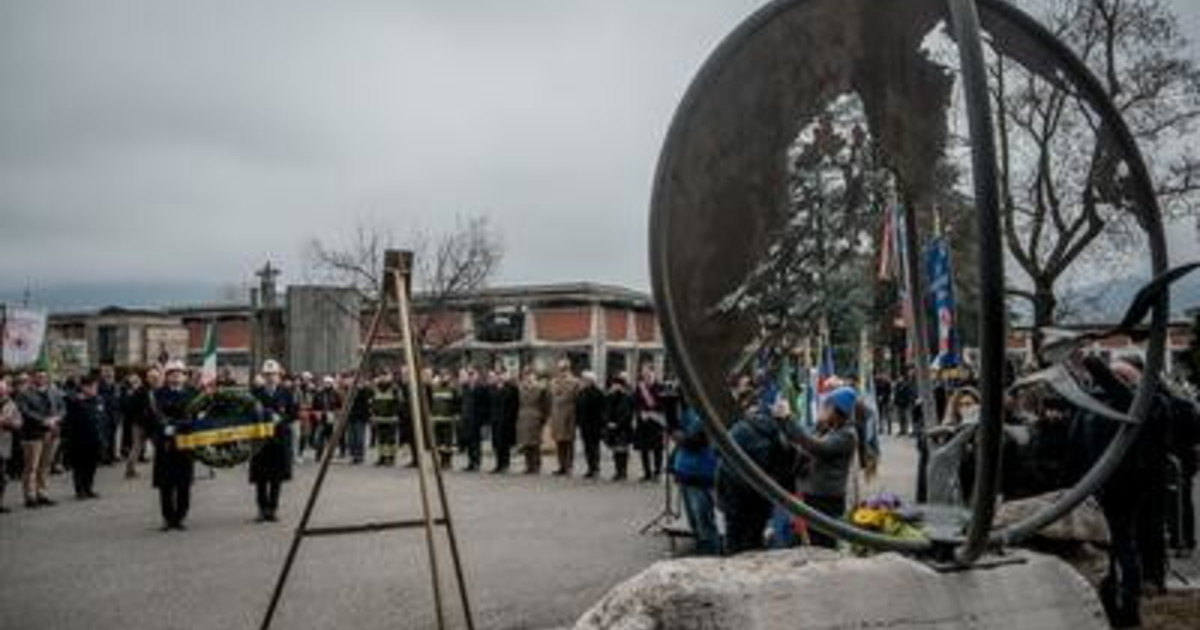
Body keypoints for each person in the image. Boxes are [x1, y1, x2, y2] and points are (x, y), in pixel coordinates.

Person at [716, 393, 797, 554]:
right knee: (754, 541)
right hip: (760, 497)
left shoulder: (739, 429)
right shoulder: (778, 433)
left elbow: (719, 453)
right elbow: (785, 467)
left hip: (734, 496)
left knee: (734, 542)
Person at [784, 386, 859, 549]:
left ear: (838, 410)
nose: (823, 409)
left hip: (826, 500)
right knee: (810, 538)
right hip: (814, 496)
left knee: (823, 544)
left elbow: (816, 447)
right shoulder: (828, 429)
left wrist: (789, 418)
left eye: (827, 406)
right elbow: (805, 445)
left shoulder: (847, 435)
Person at [153, 360, 197, 530]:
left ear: (184, 376)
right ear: (167, 376)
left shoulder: (192, 394)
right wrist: (164, 427)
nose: (176, 376)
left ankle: (180, 517)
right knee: (166, 484)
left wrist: (177, 426)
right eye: (172, 373)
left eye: (179, 373)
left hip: (185, 443)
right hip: (166, 444)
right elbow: (155, 416)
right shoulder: (158, 393)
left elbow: (195, 418)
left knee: (183, 483)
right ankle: (167, 517)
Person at [250, 360, 296, 522]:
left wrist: (281, 419)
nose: (270, 378)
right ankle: (262, 509)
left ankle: (273, 509)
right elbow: (248, 415)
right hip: (261, 441)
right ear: (263, 376)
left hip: (279, 439)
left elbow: (293, 414)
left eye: (273, 375)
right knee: (261, 477)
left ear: (279, 376)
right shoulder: (256, 393)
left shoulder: (286, 393)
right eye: (267, 375)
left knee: (276, 477)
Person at [672, 406, 720, 555]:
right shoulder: (690, 410)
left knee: (704, 522)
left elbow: (693, 441)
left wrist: (677, 435)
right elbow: (678, 429)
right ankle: (702, 553)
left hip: (701, 474)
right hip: (686, 473)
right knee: (695, 523)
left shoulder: (708, 411)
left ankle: (710, 557)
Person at [16, 370, 61, 508]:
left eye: (44, 376)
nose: (41, 378)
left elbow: (62, 407)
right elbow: (25, 411)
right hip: (32, 434)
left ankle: (42, 493)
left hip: (51, 433)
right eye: (38, 376)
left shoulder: (53, 391)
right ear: (32, 378)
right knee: (31, 467)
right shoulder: (24, 393)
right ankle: (30, 496)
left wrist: (57, 418)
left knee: (45, 466)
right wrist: (43, 420)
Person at [63, 373, 106, 499]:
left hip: (95, 438)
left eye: (95, 387)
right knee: (79, 466)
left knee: (91, 466)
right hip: (79, 440)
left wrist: (103, 437)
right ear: (84, 387)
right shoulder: (75, 401)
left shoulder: (98, 399)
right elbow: (70, 420)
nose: (94, 389)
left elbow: (102, 419)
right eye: (92, 387)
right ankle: (80, 490)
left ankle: (89, 488)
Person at [123, 369, 159, 478]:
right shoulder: (141, 390)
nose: (155, 380)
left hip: (151, 423)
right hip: (140, 423)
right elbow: (131, 406)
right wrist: (141, 415)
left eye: (156, 378)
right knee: (137, 447)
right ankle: (130, 470)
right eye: (153, 378)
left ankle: (159, 469)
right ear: (148, 378)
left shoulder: (154, 390)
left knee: (157, 446)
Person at [548, 359, 580, 476]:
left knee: (568, 441)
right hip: (556, 414)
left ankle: (569, 466)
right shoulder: (554, 381)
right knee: (559, 441)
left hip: (569, 414)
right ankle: (561, 466)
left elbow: (577, 399)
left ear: (568, 368)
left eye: (564, 368)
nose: (562, 371)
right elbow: (551, 397)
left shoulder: (575, 382)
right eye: (560, 369)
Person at [634, 365, 667, 481]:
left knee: (657, 449)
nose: (645, 375)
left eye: (647, 373)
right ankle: (647, 472)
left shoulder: (660, 386)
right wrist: (640, 413)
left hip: (656, 421)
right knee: (644, 449)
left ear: (653, 373)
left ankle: (657, 472)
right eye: (643, 373)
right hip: (643, 422)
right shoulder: (639, 387)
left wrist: (652, 412)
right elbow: (636, 402)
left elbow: (662, 404)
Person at [516, 367, 550, 474]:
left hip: (535, 417)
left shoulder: (540, 389)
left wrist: (543, 418)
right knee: (526, 443)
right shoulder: (521, 388)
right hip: (523, 417)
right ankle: (528, 465)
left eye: (530, 375)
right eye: (526, 375)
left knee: (535, 443)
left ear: (534, 376)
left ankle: (536, 465)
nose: (527, 377)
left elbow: (545, 405)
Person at [604, 373, 635, 481]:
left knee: (623, 450)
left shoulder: (627, 397)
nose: (615, 386)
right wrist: (608, 422)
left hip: (623, 427)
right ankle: (617, 471)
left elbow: (628, 414)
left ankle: (623, 471)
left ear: (622, 385)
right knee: (615, 450)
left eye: (617, 384)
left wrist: (618, 424)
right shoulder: (610, 396)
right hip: (612, 426)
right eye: (614, 384)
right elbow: (606, 411)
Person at [575, 371, 607, 479]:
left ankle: (596, 468)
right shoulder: (582, 392)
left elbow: (603, 410)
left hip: (595, 425)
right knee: (587, 448)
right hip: (584, 424)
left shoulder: (598, 392)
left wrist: (602, 424)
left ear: (591, 381)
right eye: (583, 379)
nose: (583, 381)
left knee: (594, 447)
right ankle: (590, 468)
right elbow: (578, 408)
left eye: (585, 379)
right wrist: (578, 421)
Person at [459, 369, 490, 472]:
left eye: (473, 374)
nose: (471, 376)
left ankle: (477, 462)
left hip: (477, 419)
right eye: (469, 375)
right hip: (467, 418)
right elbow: (462, 403)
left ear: (477, 376)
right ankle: (471, 462)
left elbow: (486, 405)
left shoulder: (482, 388)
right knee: (468, 441)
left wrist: (484, 421)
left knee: (476, 442)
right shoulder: (465, 388)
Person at [490, 369, 519, 473]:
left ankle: (505, 464)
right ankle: (498, 464)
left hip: (507, 420)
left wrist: (512, 419)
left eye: (501, 375)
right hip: (496, 419)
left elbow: (515, 405)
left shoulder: (511, 388)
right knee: (497, 443)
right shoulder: (493, 388)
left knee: (505, 443)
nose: (499, 377)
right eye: (497, 375)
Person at [0, 377, 22, 513]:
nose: (3, 394)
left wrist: (11, 423)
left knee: (2, 476)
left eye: (3, 391)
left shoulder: (10, 404)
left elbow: (19, 422)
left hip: (4, 443)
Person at [429, 371, 460, 469]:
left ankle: (448, 461)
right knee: (439, 442)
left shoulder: (452, 389)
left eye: (445, 376)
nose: (443, 378)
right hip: (437, 419)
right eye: (441, 376)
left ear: (449, 377)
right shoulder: (435, 389)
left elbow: (456, 403)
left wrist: (456, 414)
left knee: (448, 443)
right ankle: (441, 461)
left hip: (448, 419)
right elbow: (432, 403)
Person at [370, 372, 402, 467]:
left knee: (390, 440)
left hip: (391, 418)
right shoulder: (376, 388)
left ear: (389, 377)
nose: (383, 378)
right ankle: (382, 457)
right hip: (379, 418)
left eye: (385, 376)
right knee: (381, 440)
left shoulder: (394, 388)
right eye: (381, 376)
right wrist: (374, 414)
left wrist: (396, 414)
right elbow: (373, 402)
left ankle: (391, 458)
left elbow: (399, 402)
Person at [311, 376, 342, 460]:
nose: (327, 384)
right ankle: (318, 455)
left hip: (331, 418)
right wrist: (316, 413)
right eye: (326, 383)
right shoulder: (319, 394)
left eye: (329, 383)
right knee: (319, 437)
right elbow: (314, 406)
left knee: (331, 438)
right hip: (321, 418)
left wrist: (336, 413)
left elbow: (339, 405)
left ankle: (330, 455)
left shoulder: (336, 394)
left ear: (331, 384)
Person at [97, 364, 122, 465]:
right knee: (102, 437)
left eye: (110, 372)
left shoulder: (116, 386)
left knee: (112, 437)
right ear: (102, 374)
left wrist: (119, 414)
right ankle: (102, 457)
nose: (109, 374)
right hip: (103, 415)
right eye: (106, 371)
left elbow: (119, 400)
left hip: (114, 415)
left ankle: (110, 458)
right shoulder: (99, 385)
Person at [346, 378, 373, 465]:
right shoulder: (350, 392)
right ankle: (353, 454)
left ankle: (359, 455)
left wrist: (362, 389)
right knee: (351, 437)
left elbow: (367, 403)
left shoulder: (365, 392)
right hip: (351, 417)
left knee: (359, 437)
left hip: (360, 417)